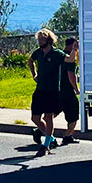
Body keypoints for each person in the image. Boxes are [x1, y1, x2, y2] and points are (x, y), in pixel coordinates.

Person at [28, 28, 75, 157]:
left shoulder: (57, 53)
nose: (40, 42)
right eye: (39, 39)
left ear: (49, 40)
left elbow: (70, 60)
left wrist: (74, 50)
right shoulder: (38, 53)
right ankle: (52, 138)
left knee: (48, 117)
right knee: (35, 118)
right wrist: (34, 74)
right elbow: (30, 61)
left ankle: (46, 145)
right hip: (40, 90)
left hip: (52, 91)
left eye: (42, 39)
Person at [59, 37, 80, 145]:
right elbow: (71, 75)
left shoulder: (60, 55)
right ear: (73, 45)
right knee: (73, 114)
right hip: (67, 91)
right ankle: (68, 135)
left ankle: (40, 129)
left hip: (57, 89)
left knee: (53, 112)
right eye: (77, 45)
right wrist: (76, 89)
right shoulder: (70, 59)